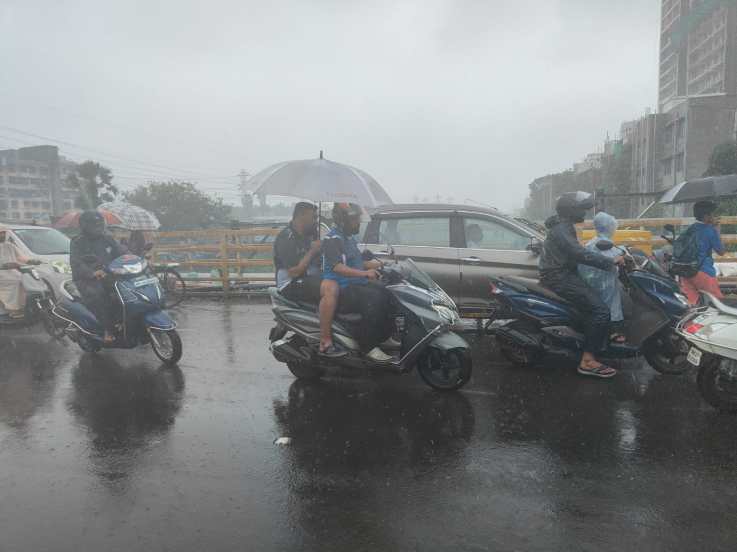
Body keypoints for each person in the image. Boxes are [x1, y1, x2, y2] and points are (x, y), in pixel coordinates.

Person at [539, 192, 625, 379]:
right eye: (582, 209)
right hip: (559, 277)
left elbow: (576, 251)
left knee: (594, 302)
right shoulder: (562, 228)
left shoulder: (564, 226)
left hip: (563, 273)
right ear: (571, 211)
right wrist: (609, 262)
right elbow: (578, 253)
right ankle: (587, 361)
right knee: (601, 310)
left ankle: (594, 339)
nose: (585, 213)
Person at [322, 202, 394, 362]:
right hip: (342, 287)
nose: (358, 223)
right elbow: (337, 267)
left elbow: (359, 262)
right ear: (343, 220)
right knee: (373, 300)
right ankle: (367, 347)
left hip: (356, 284)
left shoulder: (349, 238)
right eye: (354, 220)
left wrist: (384, 264)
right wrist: (364, 273)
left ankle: (383, 336)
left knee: (388, 293)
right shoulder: (332, 239)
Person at [273, 202, 341, 356]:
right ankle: (326, 341)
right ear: (301, 216)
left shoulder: (310, 235)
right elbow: (294, 272)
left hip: (311, 277)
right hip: (291, 283)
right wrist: (312, 251)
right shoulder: (286, 237)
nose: (316, 220)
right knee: (331, 288)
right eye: (313, 216)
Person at [70, 211, 125, 344]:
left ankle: (124, 321)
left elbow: (121, 252)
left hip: (109, 274)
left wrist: (136, 258)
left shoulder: (107, 239)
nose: (98, 227)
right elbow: (76, 262)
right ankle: (108, 329)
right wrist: (91, 273)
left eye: (100, 223)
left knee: (125, 291)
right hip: (87, 279)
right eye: (95, 224)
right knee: (100, 296)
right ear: (85, 226)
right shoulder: (77, 242)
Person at [578, 212, 625, 343]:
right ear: (608, 227)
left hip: (592, 281)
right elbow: (612, 255)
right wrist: (623, 254)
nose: (613, 228)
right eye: (612, 225)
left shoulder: (594, 241)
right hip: (602, 282)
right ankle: (613, 330)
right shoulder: (601, 243)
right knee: (612, 301)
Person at [679, 200, 725, 305]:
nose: (714, 216)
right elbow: (721, 251)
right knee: (719, 304)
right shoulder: (709, 230)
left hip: (685, 271)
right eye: (712, 214)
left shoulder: (689, 229)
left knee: (692, 305)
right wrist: (717, 230)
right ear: (706, 216)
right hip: (703, 271)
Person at [0, 229, 37, 318]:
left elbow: (21, 257)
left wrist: (31, 261)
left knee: (24, 280)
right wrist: (5, 266)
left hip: (13, 272)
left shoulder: (9, 246)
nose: (3, 235)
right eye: (0, 233)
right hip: (2, 274)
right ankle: (12, 309)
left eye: (4, 233)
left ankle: (20, 307)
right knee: (14, 281)